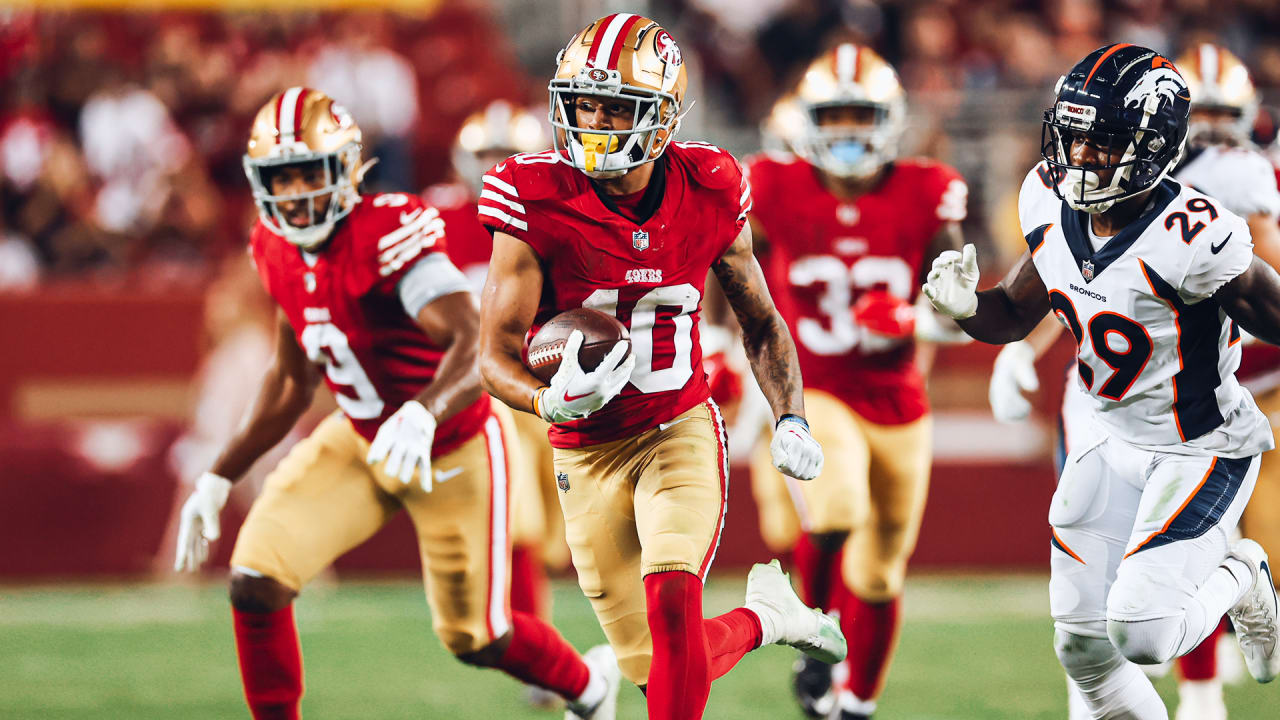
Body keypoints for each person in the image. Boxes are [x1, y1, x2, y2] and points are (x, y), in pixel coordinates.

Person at [171, 87, 619, 720]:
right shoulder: (273, 248)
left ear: (347, 170)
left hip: (454, 446)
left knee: (479, 636)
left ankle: (589, 687)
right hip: (358, 440)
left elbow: (476, 344)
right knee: (256, 579)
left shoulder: (385, 233)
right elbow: (291, 379)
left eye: (310, 174)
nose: (296, 194)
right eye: (281, 177)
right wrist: (219, 476)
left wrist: (422, 411)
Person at [476, 14, 845, 720]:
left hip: (676, 427)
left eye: (617, 107)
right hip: (583, 453)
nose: (594, 121)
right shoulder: (531, 193)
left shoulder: (708, 185)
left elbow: (761, 320)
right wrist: (548, 403)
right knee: (662, 668)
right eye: (584, 103)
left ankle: (759, 617)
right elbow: (493, 353)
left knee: (673, 596)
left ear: (665, 113)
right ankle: (768, 619)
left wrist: (790, 415)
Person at [925, 44, 1280, 719]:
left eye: (1105, 142)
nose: (1082, 158)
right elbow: (1012, 311)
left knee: (1143, 635)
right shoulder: (1051, 205)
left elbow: (1275, 312)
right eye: (1075, 137)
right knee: (1083, 650)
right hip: (1105, 439)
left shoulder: (1193, 234)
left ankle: (1242, 575)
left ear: (1154, 146)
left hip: (1197, 447)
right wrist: (968, 305)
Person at [744, 43, 969, 720]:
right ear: (808, 119)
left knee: (880, 575)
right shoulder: (773, 185)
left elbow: (961, 312)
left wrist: (909, 319)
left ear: (890, 118)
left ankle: (859, 703)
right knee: (835, 508)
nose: (846, 129)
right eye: (832, 114)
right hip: (817, 390)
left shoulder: (927, 190)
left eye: (860, 113)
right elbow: (728, 273)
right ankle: (811, 634)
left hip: (899, 400)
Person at [426, 98, 571, 709]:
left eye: (505, 156)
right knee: (518, 526)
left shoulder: (553, 209)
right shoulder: (438, 219)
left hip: (541, 382)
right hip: (481, 389)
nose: (495, 167)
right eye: (485, 156)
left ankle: (540, 645)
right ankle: (535, 652)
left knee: (556, 536)